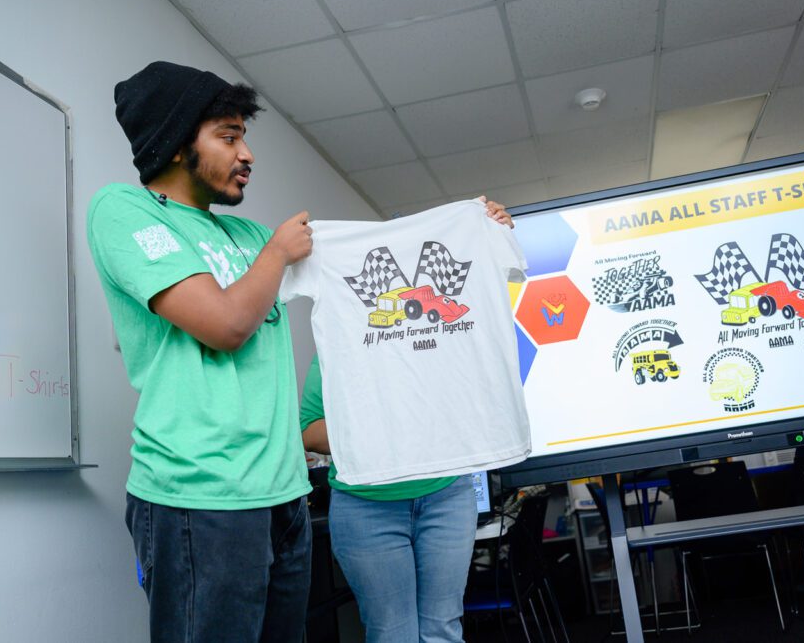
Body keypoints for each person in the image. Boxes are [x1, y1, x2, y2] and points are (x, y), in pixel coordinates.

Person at [87, 61, 314, 643]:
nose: (248, 154)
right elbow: (225, 324)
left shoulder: (249, 237)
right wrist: (277, 255)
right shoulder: (124, 211)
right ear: (177, 142)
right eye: (229, 136)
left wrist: (472, 224)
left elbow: (377, 272)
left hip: (284, 495)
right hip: (200, 498)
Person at [300, 201, 514, 643]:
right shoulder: (345, 346)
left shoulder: (448, 336)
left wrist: (491, 232)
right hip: (366, 506)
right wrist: (380, 426)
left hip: (446, 494)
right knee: (392, 634)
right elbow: (309, 430)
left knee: (442, 629)